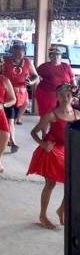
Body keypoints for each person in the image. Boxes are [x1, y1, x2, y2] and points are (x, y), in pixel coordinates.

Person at [27, 83, 78, 230]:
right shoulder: (51, 114)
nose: (65, 98)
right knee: (50, 184)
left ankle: (61, 209)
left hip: (68, 151)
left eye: (68, 95)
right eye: (61, 95)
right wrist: (43, 143)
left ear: (72, 97)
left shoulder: (77, 115)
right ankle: (43, 215)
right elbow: (33, 132)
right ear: (56, 96)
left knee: (73, 183)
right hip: (52, 150)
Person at [2, 42, 38, 152]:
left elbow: (36, 76)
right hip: (8, 94)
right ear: (12, 52)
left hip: (22, 95)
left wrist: (31, 82)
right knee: (10, 119)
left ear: (24, 53)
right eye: (16, 54)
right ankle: (13, 142)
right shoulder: (5, 61)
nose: (18, 56)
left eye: (20, 54)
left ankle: (8, 135)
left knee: (14, 119)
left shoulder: (27, 62)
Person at [35, 47, 77, 117]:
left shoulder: (66, 66)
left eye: (57, 55)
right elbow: (34, 75)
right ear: (49, 57)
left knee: (63, 112)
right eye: (53, 55)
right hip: (47, 94)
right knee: (47, 113)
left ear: (60, 56)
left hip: (64, 93)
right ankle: (44, 127)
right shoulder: (44, 67)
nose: (55, 57)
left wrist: (74, 88)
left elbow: (73, 79)